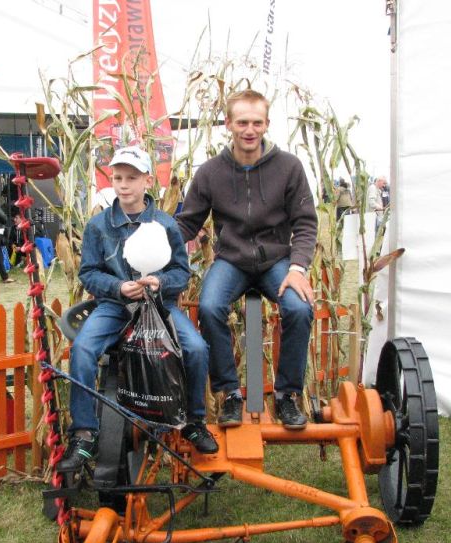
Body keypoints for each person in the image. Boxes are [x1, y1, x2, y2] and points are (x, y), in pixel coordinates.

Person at [57, 147, 218, 472]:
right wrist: (117, 287)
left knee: (197, 348)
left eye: (131, 178)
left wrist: (160, 282)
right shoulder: (99, 226)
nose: (124, 185)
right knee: (84, 349)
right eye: (118, 178)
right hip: (115, 306)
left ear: (147, 180)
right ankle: (85, 432)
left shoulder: (165, 226)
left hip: (160, 308)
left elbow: (181, 272)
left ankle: (193, 421)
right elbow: (89, 272)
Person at [176, 89, 317, 430]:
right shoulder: (210, 172)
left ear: (267, 124)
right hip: (232, 260)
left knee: (299, 308)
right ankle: (230, 395)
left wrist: (298, 268)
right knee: (209, 308)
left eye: (257, 122)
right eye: (242, 122)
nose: (249, 129)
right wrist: (153, 238)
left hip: (276, 260)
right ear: (229, 124)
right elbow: (188, 223)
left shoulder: (289, 167)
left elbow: (305, 222)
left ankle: (287, 396)